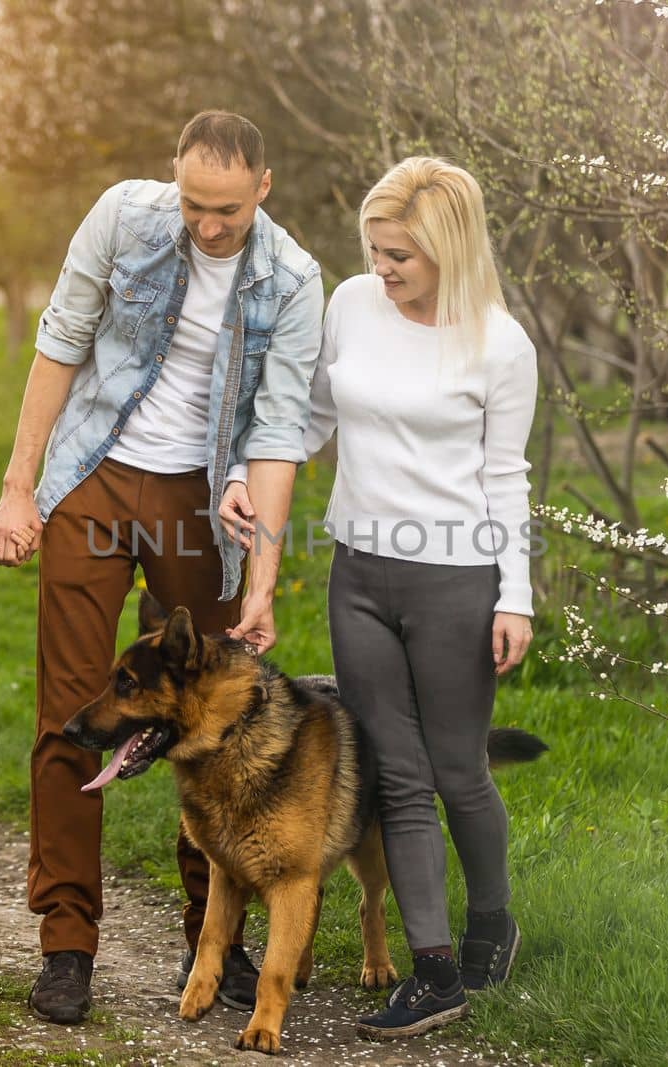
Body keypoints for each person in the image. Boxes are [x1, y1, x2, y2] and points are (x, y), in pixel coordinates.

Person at [0, 111, 323, 1025]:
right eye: (192, 204)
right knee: (71, 709)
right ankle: (66, 944)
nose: (206, 225)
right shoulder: (123, 218)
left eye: (225, 210)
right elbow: (60, 342)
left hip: (201, 503)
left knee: (208, 722)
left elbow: (281, 429)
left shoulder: (292, 279)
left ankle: (213, 942)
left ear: (264, 186)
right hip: (92, 478)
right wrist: (21, 488)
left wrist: (260, 579)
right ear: (173, 181)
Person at [220, 157, 538, 1040]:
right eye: (374, 249)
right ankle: (434, 972)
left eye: (400, 254)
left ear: (449, 250)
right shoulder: (353, 305)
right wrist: (252, 472)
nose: (382, 268)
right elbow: (317, 414)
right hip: (358, 574)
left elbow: (506, 475)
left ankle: (490, 923)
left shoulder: (501, 346)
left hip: (456, 582)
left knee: (456, 771)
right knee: (396, 777)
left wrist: (515, 595)